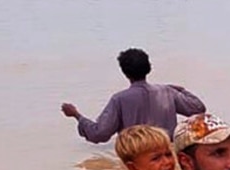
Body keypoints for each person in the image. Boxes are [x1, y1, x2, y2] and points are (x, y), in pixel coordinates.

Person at [61, 48, 206, 143]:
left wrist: (77, 115)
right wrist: (181, 90)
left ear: (124, 72)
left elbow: (100, 133)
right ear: (149, 68)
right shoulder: (167, 92)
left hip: (138, 158)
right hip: (165, 154)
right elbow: (198, 109)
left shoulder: (119, 99)